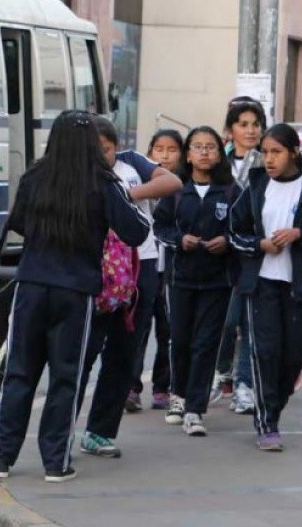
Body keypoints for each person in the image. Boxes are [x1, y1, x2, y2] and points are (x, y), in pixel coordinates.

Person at [0, 110, 150, 483]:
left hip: (31, 286)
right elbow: (136, 231)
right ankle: (55, 462)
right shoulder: (103, 183)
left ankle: (1, 459)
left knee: (20, 374)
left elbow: (19, 224)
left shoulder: (35, 177)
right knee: (65, 376)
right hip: (75, 292)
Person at [229, 123, 302, 451]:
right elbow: (235, 232)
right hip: (261, 285)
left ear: (294, 152)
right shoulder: (255, 187)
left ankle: (274, 409)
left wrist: (299, 235)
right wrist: (260, 244)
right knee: (265, 353)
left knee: (291, 360)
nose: (269, 159)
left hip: (300, 288)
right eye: (265, 153)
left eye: (276, 152)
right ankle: (267, 423)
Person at [77, 118, 182, 458]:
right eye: (95, 150)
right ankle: (62, 428)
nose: (101, 156)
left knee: (125, 351)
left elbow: (172, 181)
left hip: (141, 266)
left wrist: (126, 196)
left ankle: (100, 431)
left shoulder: (133, 163)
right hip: (97, 270)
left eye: (106, 149)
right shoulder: (77, 174)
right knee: (84, 351)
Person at [153, 126, 240, 436]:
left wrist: (227, 241)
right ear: (187, 154)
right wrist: (180, 240)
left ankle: (195, 409)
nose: (204, 152)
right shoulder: (175, 190)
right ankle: (178, 395)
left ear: (219, 153)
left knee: (206, 344)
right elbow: (160, 226)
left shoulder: (231, 192)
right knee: (181, 339)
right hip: (180, 278)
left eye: (211, 147)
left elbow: (245, 230)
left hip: (218, 281)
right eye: (198, 146)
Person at [212, 99, 267, 415]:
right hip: (219, 255)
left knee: (246, 321)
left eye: (255, 124)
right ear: (230, 130)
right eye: (243, 124)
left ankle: (244, 384)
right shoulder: (218, 163)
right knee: (223, 320)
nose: (250, 130)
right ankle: (223, 372)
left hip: (252, 253)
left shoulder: (267, 162)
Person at [135, 129, 185, 411]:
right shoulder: (141, 182)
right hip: (145, 265)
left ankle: (162, 386)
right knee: (139, 327)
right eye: (159, 149)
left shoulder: (183, 187)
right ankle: (132, 386)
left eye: (172, 150)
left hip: (172, 268)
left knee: (167, 329)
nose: (165, 156)